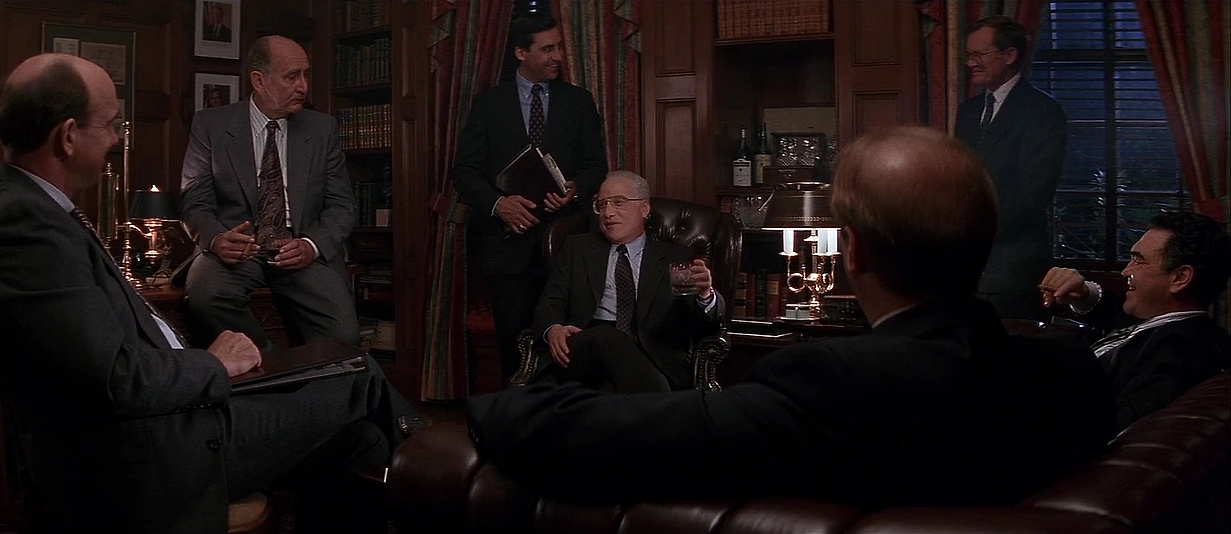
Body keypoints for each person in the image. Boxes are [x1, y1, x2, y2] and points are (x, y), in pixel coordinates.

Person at [467, 127, 1113, 507]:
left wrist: (487, 413)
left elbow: (621, 439)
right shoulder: (1069, 370)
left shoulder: (826, 383)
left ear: (853, 252)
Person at [0, 53, 415, 533]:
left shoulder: (30, 209)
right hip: (148, 452)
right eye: (111, 125)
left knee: (361, 441)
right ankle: (449, 480)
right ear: (68, 136)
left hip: (164, 418)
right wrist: (214, 363)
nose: (116, 139)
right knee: (359, 376)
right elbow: (116, 379)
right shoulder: (25, 227)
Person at [453, 13, 608, 383]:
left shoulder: (579, 102)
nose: (558, 56)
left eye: (560, 47)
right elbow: (465, 172)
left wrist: (573, 190)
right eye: (548, 49)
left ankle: (567, 409)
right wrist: (499, 205)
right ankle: (520, 411)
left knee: (569, 342)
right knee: (515, 346)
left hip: (567, 244)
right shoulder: (489, 104)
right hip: (508, 247)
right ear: (522, 52)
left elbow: (596, 167)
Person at [180, 35, 359, 349]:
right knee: (205, 295)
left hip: (300, 250)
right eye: (292, 77)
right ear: (259, 80)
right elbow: (194, 202)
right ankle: (267, 364)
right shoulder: (211, 125)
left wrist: (311, 245)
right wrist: (218, 239)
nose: (303, 86)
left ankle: (294, 377)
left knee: (344, 337)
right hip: (237, 251)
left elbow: (342, 205)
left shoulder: (321, 129)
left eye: (305, 75)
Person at [532, 171, 723, 393]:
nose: (608, 213)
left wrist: (705, 296)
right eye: (602, 205)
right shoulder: (577, 249)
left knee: (610, 390)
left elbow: (701, 325)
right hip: (586, 353)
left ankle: (650, 403)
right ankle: (663, 405)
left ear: (644, 208)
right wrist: (553, 329)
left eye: (618, 202)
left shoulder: (677, 257)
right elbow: (550, 303)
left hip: (651, 357)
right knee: (605, 336)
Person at [1040, 211, 1231, 431]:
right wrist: (1083, 293)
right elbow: (1115, 311)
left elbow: (1119, 424)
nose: (1125, 271)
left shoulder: (1182, 350)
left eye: (1138, 261)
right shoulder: (1169, 324)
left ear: (1180, 278)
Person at [953, 15, 1067, 321]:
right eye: (968, 55)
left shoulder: (1042, 111)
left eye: (979, 54)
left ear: (1010, 55)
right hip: (962, 267)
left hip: (1010, 269)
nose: (971, 63)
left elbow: (1032, 193)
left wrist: (971, 229)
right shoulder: (968, 112)